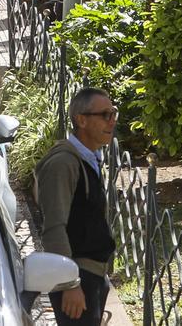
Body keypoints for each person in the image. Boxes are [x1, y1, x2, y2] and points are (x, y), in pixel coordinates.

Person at [34, 87, 118, 326]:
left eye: (113, 114)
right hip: (76, 277)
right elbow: (54, 227)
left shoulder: (87, 157)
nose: (111, 121)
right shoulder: (63, 163)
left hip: (92, 274)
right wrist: (69, 284)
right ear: (81, 120)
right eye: (104, 115)